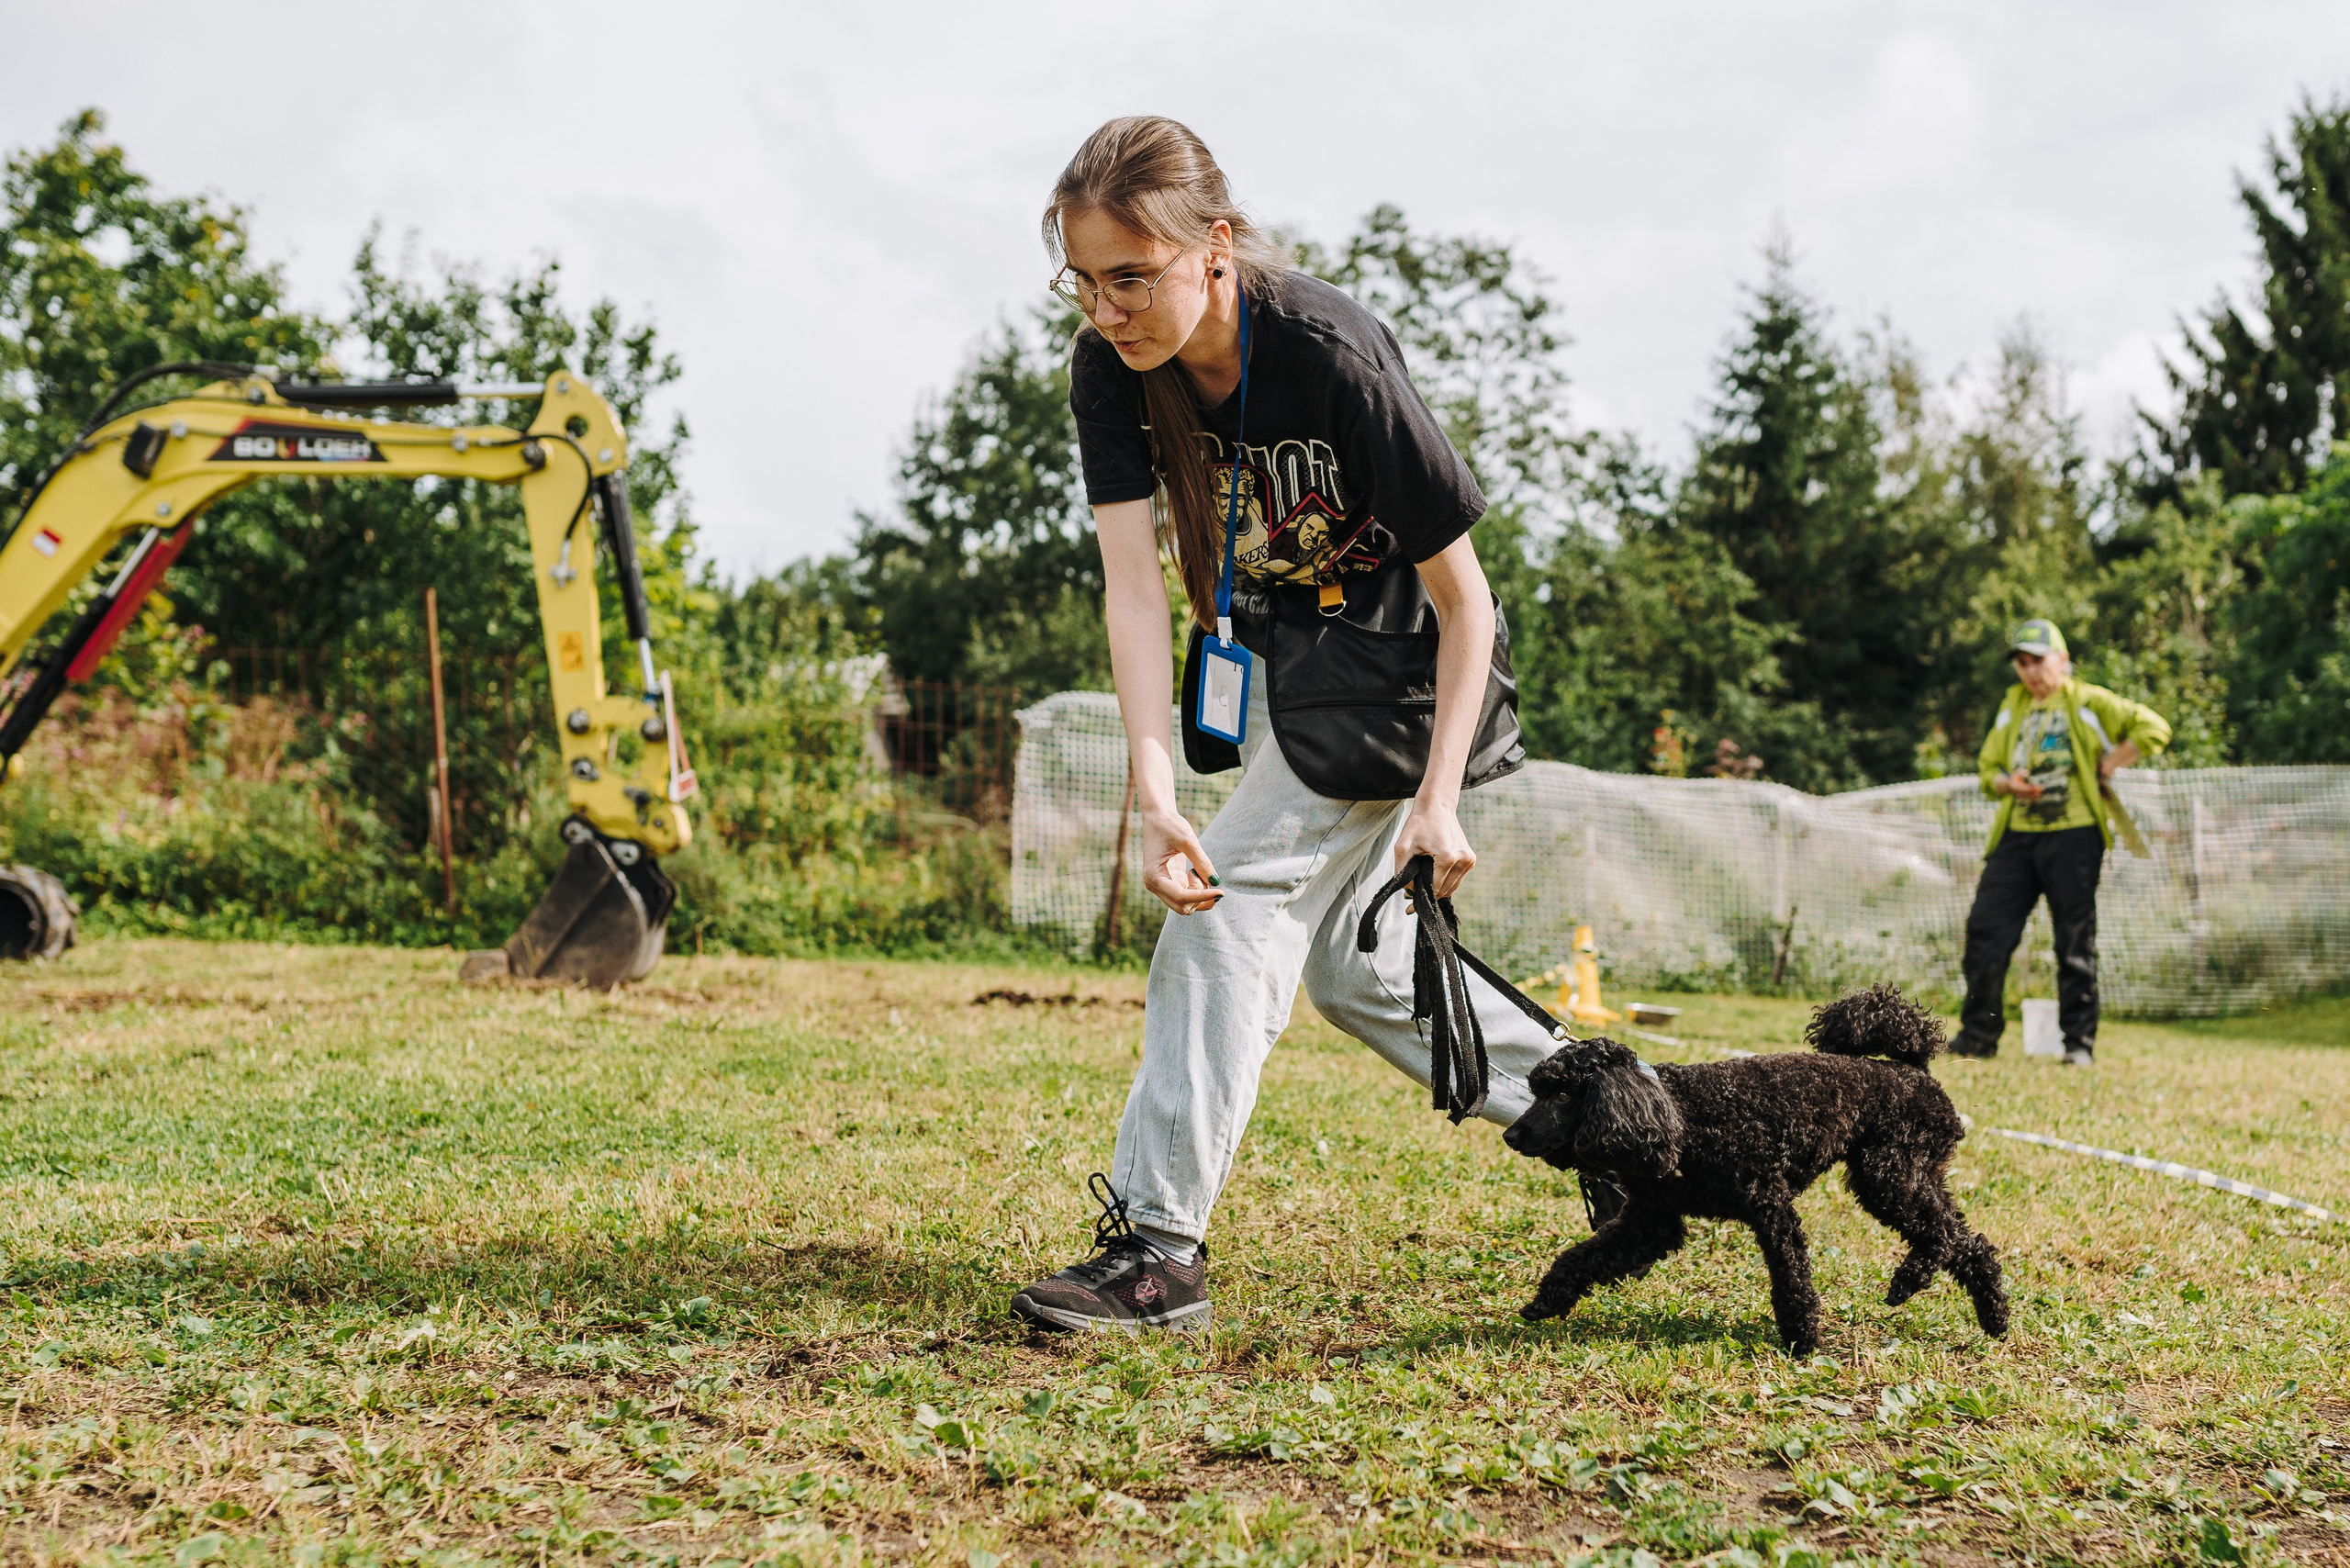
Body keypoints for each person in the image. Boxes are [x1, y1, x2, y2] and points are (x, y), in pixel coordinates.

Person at [1008, 117, 1552, 1335]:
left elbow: (1471, 604)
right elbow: (1134, 586)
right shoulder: (1111, 369)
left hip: (1406, 688)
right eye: (1084, 280)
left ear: (1215, 245)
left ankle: (1157, 1248)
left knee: (1225, 914)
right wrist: (1155, 786)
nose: (1107, 308)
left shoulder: (1326, 352)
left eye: (1130, 276)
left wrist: (1440, 798)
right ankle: (1619, 1121)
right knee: (1359, 978)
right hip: (1302, 679)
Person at [1952, 620, 2169, 1068]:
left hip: (2075, 836)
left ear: (2063, 661)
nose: (2030, 672)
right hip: (2017, 837)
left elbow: (2154, 728)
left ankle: (2078, 1045)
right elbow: (1987, 768)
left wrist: (2111, 762)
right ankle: (1978, 1036)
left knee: (2073, 940)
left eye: (2039, 661)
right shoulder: (2011, 706)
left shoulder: (2089, 701)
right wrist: (2006, 783)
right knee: (1985, 932)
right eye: (2022, 663)